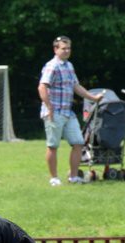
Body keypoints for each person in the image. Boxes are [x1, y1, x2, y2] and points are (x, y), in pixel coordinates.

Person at [37, 36, 103, 186]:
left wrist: (93, 98)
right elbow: (42, 87)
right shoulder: (52, 66)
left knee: (78, 143)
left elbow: (76, 86)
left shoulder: (69, 66)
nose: (66, 51)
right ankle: (54, 178)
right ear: (56, 49)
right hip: (54, 113)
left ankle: (73, 177)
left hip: (68, 112)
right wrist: (49, 107)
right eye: (63, 48)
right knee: (53, 146)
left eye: (68, 48)